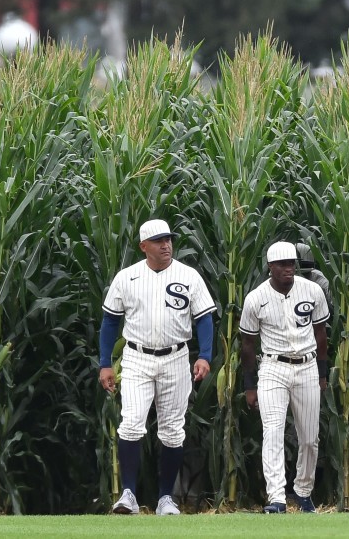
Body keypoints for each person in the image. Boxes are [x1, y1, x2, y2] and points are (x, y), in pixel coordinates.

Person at [98, 219, 216, 516]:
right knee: (131, 422)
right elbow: (110, 321)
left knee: (173, 431)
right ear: (144, 247)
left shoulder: (188, 276)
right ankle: (128, 495)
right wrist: (104, 364)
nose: (166, 245)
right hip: (137, 357)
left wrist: (204, 355)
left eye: (169, 239)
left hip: (176, 357)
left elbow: (203, 318)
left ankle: (166, 498)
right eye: (159, 240)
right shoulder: (127, 278)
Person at [239, 241, 330, 514]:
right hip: (272, 367)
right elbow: (247, 345)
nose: (289, 268)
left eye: (291, 263)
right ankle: (277, 498)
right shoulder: (256, 297)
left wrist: (323, 373)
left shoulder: (312, 290)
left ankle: (303, 492)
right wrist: (249, 386)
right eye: (282, 264)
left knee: (309, 437)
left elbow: (321, 334)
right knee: (273, 432)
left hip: (307, 366)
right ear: (270, 267)